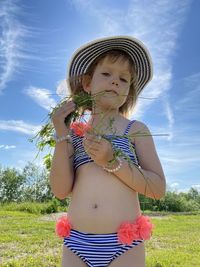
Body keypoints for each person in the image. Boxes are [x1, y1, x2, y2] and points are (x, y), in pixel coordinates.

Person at [50, 36, 166, 267]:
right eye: (106, 74)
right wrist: (61, 133)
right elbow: (61, 190)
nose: (115, 81)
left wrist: (111, 160)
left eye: (123, 79)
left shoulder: (135, 129)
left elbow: (157, 188)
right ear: (86, 83)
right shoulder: (73, 133)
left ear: (128, 92)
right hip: (77, 241)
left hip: (124, 245)